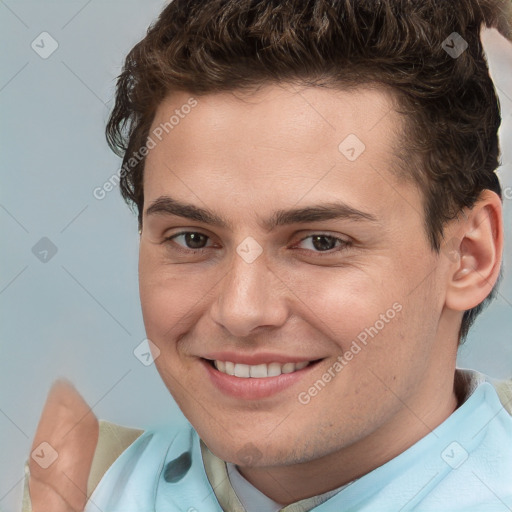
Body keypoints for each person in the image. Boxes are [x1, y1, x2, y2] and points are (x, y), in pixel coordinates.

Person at [23, 0, 512, 511]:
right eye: (193, 239)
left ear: (469, 256)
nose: (241, 310)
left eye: (321, 242)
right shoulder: (77, 483)